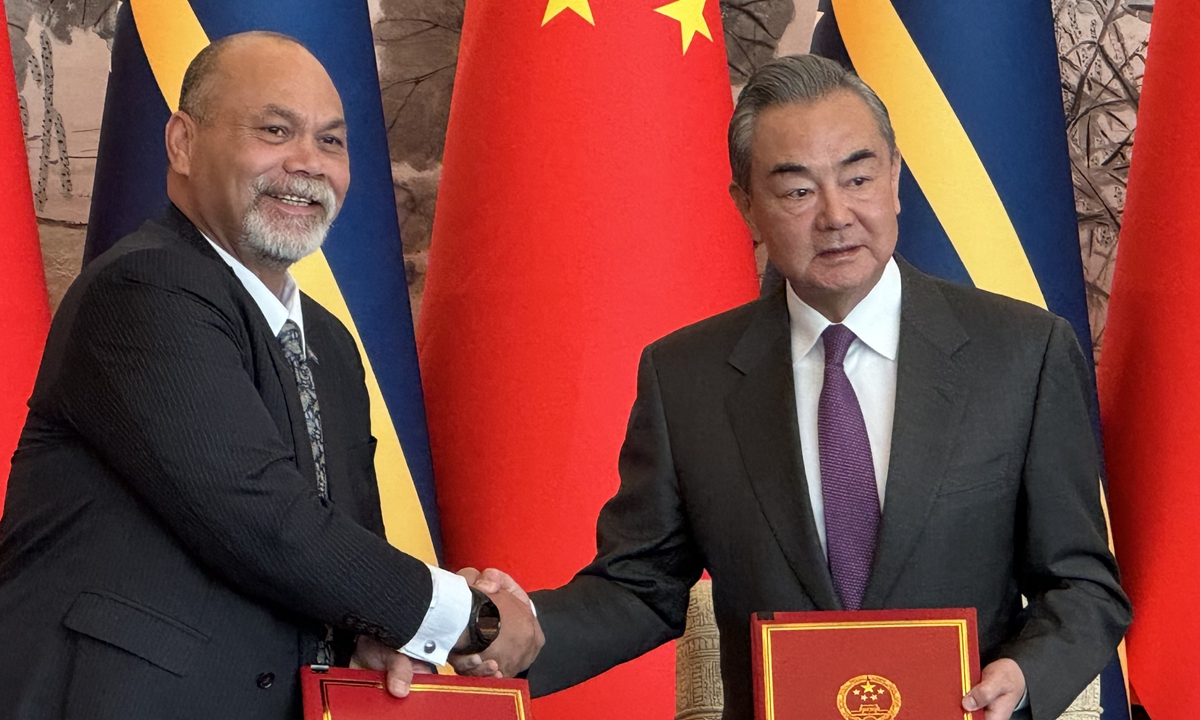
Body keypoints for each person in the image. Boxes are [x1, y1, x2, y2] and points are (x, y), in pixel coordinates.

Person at [466, 54, 1130, 720]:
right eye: (797, 191)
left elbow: (1082, 584)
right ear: (746, 206)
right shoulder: (686, 377)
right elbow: (640, 588)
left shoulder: (1022, 354)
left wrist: (1024, 675)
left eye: (859, 177)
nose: (836, 215)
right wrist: (518, 629)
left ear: (896, 180)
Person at [0, 32, 540, 719]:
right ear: (182, 142)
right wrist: (472, 618)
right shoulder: (142, 289)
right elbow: (262, 518)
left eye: (333, 142)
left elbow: (340, 549)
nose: (308, 164)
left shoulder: (333, 347)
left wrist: (371, 635)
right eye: (276, 130)